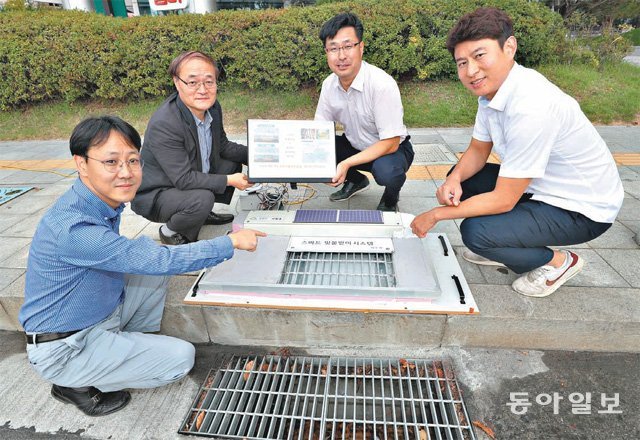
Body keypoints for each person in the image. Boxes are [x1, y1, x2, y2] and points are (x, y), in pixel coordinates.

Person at [18, 116, 265, 416]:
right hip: (66, 348)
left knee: (149, 265)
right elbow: (161, 260)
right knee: (181, 358)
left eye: (133, 160)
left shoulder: (94, 201)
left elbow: (148, 260)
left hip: (96, 316)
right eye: (111, 162)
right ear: (81, 164)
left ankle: (121, 347)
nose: (126, 172)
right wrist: (231, 243)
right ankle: (71, 382)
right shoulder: (74, 229)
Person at [410, 7, 623, 298]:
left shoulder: (531, 106)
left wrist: (435, 215)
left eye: (480, 55)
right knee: (462, 179)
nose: (471, 71)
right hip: (542, 186)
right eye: (462, 62)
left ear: (509, 47)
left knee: (475, 233)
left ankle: (558, 263)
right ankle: (507, 245)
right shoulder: (491, 94)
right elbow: (477, 149)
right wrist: (453, 179)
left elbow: (503, 200)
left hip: (582, 208)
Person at [131, 51, 251, 245]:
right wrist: (231, 180)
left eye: (209, 81)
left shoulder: (211, 107)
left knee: (230, 162)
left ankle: (200, 215)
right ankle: (171, 231)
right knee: (202, 198)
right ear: (177, 83)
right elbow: (184, 179)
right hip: (157, 193)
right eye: (193, 82)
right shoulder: (166, 123)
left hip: (184, 179)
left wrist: (260, 156)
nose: (202, 89)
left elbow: (224, 147)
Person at [314, 12, 414, 212]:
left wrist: (345, 164)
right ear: (326, 52)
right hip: (355, 145)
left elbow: (391, 142)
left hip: (391, 150)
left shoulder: (381, 84)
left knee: (387, 173)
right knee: (320, 150)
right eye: (333, 48)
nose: (341, 56)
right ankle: (356, 181)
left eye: (348, 46)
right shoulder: (329, 84)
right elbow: (319, 131)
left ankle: (391, 197)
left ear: (361, 47)